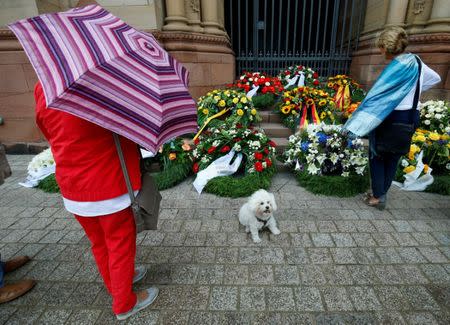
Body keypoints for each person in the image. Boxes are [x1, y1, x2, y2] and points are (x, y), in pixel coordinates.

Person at [34, 82, 158, 320]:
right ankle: (124, 303)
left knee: (99, 243)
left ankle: (116, 284)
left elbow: (46, 127)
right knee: (119, 243)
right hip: (109, 184)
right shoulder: (103, 85)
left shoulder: (44, 85)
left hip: (73, 186)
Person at [343, 26, 441, 209]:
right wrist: (415, 91)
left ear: (386, 48)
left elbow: (377, 97)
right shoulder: (417, 62)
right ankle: (381, 193)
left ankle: (378, 197)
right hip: (411, 116)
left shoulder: (395, 68)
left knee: (377, 156)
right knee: (393, 157)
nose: (380, 51)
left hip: (390, 117)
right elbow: (435, 78)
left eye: (380, 47)